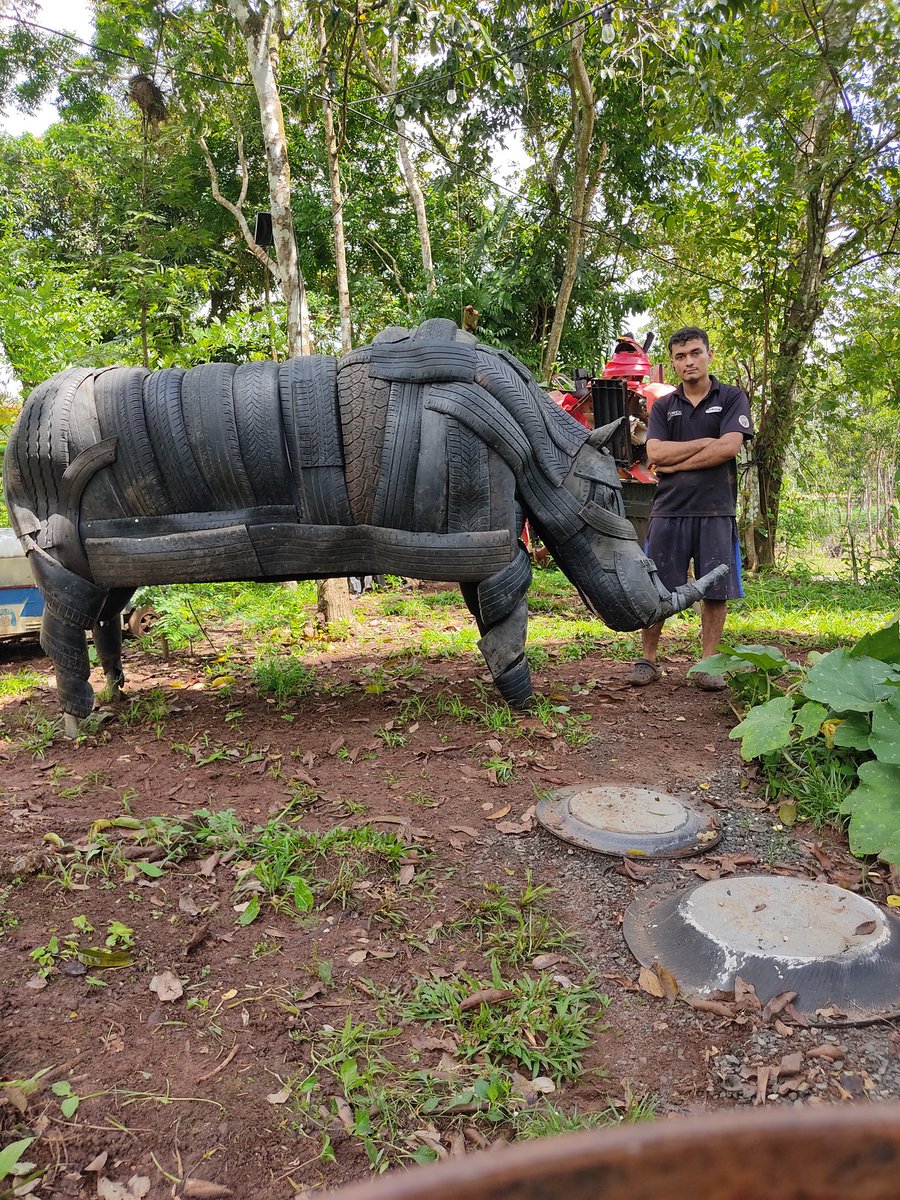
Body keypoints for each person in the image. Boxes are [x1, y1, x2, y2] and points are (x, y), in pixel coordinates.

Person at [626, 326, 753, 691]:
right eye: (680, 356)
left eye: (695, 353)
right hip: (669, 510)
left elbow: (728, 448)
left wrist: (677, 463)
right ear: (673, 363)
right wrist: (704, 443)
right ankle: (648, 660)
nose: (688, 361)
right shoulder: (664, 405)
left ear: (709, 355)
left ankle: (708, 664)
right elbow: (655, 454)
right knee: (657, 587)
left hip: (716, 510)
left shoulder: (731, 398)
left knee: (716, 589)